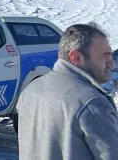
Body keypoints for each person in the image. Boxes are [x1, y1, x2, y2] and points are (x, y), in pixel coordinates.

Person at [17, 23, 118, 160]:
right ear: (76, 57)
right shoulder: (91, 103)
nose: (112, 63)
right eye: (105, 56)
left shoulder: (31, 90)